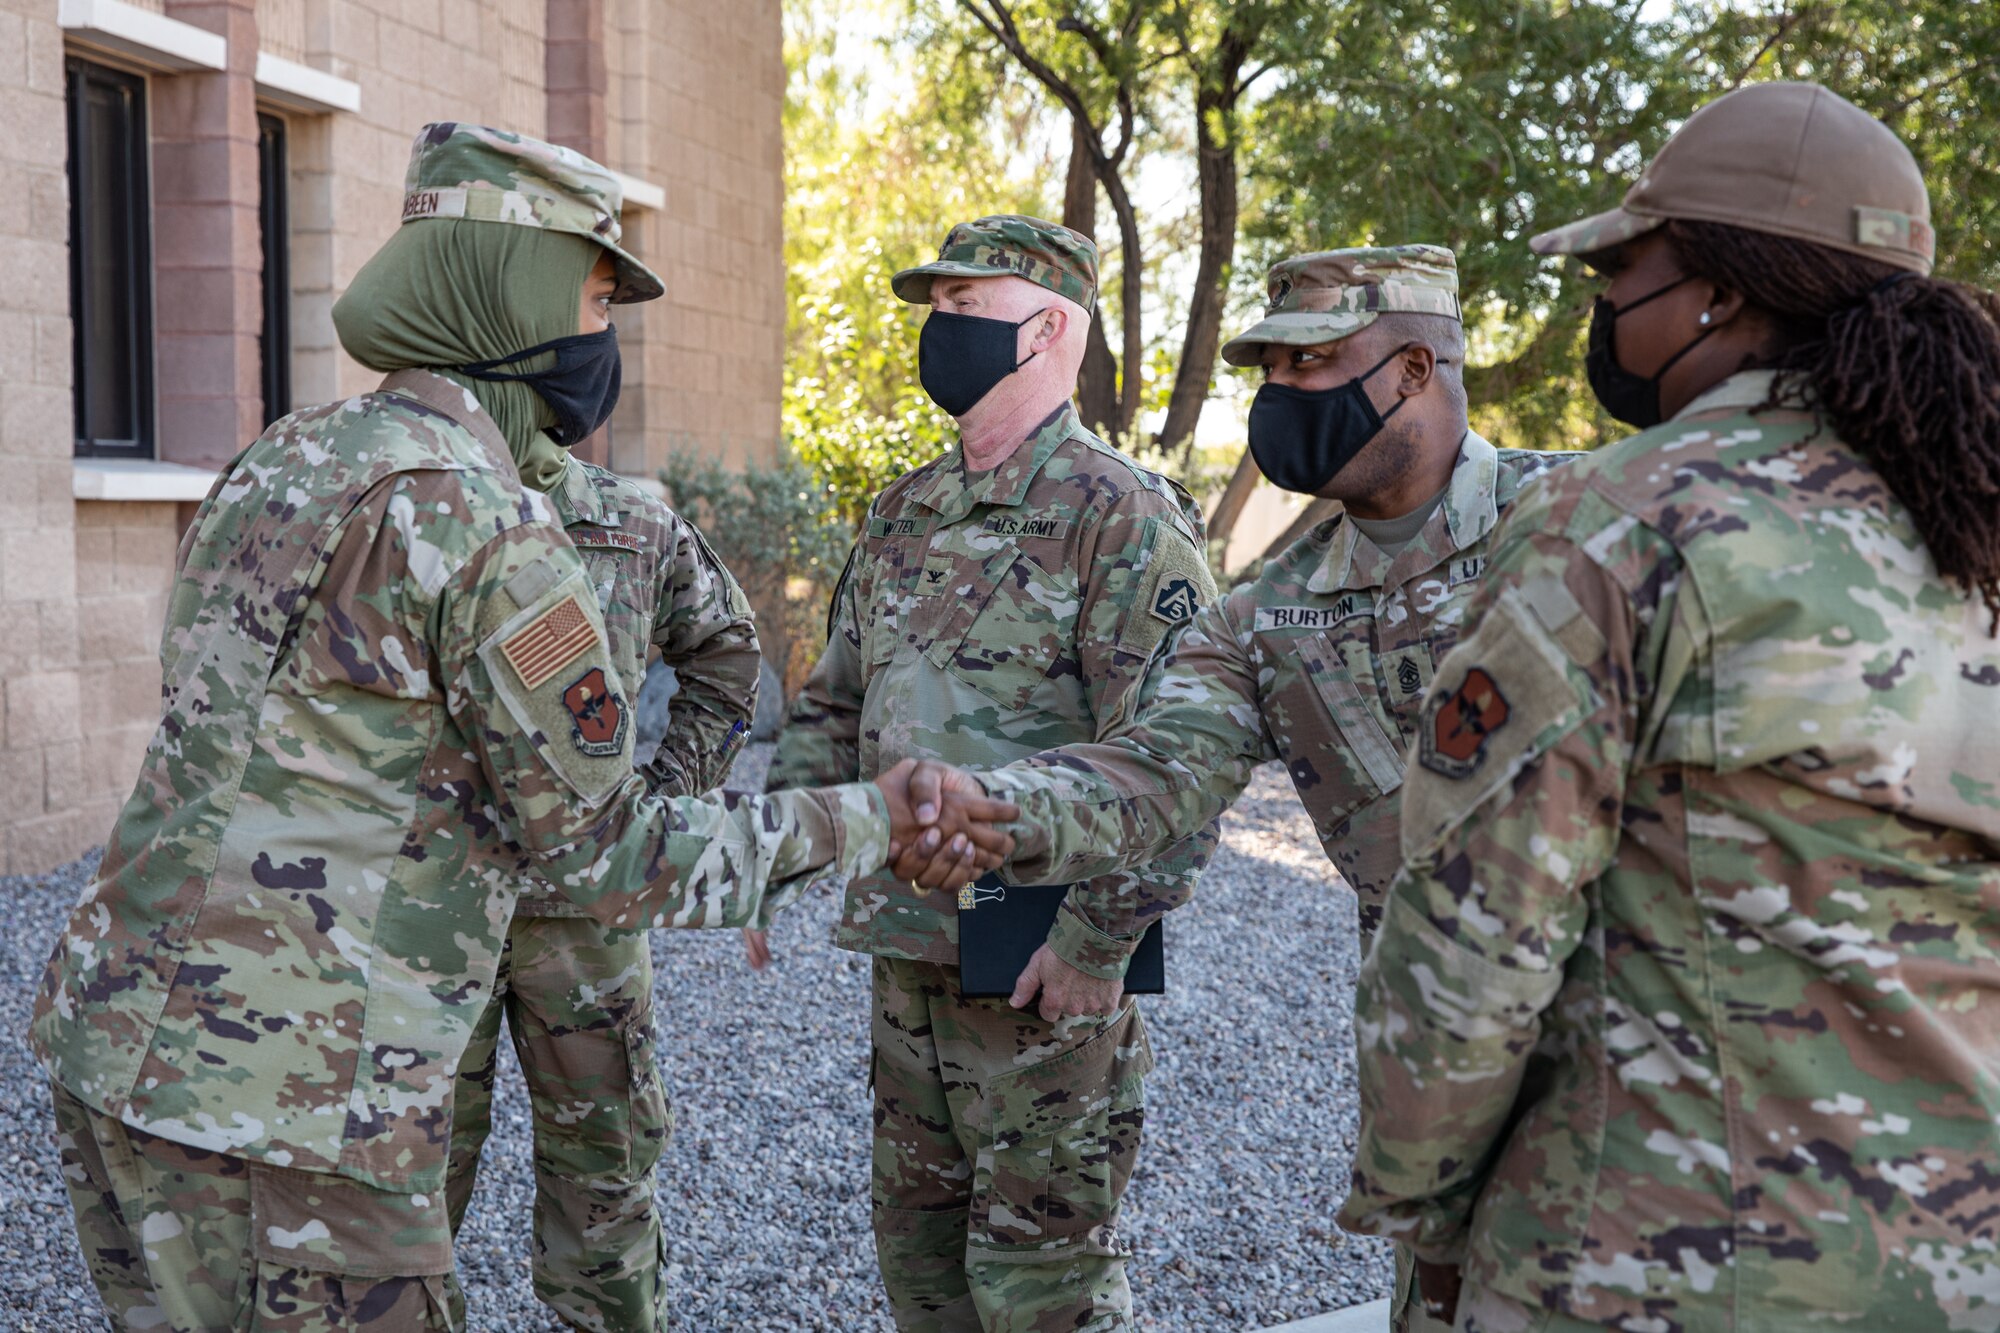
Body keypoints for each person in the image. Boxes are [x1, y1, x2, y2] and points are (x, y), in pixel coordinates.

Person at [32, 122, 1013, 1333]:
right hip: (289, 1111)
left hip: (115, 1045)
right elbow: (602, 856)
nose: (605, 342)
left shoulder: (285, 457)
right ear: (516, 287)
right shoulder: (487, 526)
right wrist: (870, 815)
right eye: (596, 300)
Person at [1332, 82, 2000, 1331]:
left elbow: (1477, 933)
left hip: (1656, 1260)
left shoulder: (1625, 521)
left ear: (1719, 288)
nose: (1598, 305)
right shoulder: (1967, 528)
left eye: (1618, 267)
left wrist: (1419, 1208)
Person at [897, 244, 1577, 1329]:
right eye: (1265, 371)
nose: (1277, 397)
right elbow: (1154, 766)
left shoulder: (1584, 521)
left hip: (1626, 1037)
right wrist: (996, 811)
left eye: (1308, 367)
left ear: (1411, 367)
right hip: (1426, 1051)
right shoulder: (1272, 609)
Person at [759, 214, 1217, 1331]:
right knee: (918, 1266)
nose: (939, 328)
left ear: (1049, 325)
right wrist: (770, 857)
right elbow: (834, 701)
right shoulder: (905, 512)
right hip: (906, 948)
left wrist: (1096, 943)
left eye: (968, 307)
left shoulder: (1122, 518)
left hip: (1036, 963)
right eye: (935, 309)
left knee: (1041, 1285)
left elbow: (1183, 758)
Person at [444, 458, 761, 1327]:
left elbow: (728, 655)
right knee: (399, 1196)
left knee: (606, 1186)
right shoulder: (416, 502)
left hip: (587, 922)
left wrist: (657, 803)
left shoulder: (630, 520)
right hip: (429, 920)